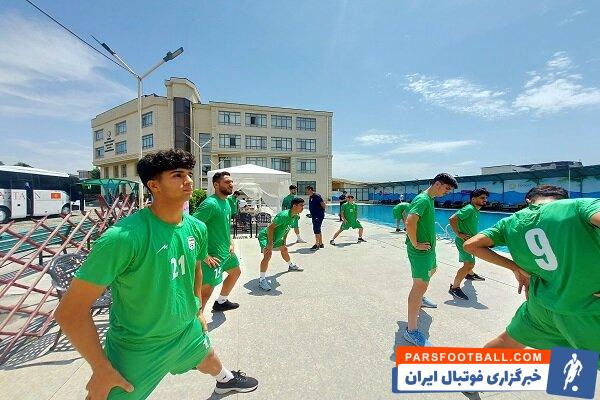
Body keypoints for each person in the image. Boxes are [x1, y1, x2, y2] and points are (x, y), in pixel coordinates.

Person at [54, 149, 258, 399]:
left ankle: (225, 380)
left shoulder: (196, 228)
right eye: (177, 175)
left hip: (186, 330)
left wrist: (197, 311)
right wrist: (101, 369)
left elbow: (195, 268)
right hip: (139, 347)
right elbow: (69, 312)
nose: (188, 181)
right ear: (154, 185)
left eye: (188, 174)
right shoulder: (122, 237)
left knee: (208, 357)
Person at [464, 185, 600, 365]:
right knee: (574, 357)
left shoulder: (510, 222)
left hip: (541, 305)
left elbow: (471, 245)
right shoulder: (579, 206)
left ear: (529, 200)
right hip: (587, 308)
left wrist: (515, 268)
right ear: (563, 198)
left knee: (507, 343)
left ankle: (472, 373)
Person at [403, 173, 458, 346]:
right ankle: (411, 331)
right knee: (419, 286)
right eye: (447, 188)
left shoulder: (429, 199)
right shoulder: (423, 199)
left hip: (428, 250)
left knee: (433, 270)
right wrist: (415, 243)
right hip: (420, 251)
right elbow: (410, 222)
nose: (447, 192)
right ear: (437, 184)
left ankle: (421, 298)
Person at [193, 172, 241, 314]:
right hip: (213, 256)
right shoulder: (210, 204)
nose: (231, 184)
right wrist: (204, 255)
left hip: (226, 251)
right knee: (205, 292)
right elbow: (191, 229)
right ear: (216, 185)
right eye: (227, 182)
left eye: (231, 181)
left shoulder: (226, 202)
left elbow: (224, 225)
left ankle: (221, 302)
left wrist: (231, 241)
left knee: (235, 272)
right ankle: (197, 322)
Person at [447, 188, 489, 301]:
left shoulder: (475, 210)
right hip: (464, 242)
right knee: (469, 264)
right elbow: (452, 219)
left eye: (486, 198)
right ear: (473, 199)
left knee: (470, 262)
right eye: (482, 198)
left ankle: (470, 274)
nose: (485, 200)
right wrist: (459, 234)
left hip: (470, 241)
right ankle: (454, 288)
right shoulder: (469, 209)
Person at [257, 198, 305, 291]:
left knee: (284, 249)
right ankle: (261, 280)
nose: (303, 207)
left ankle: (291, 266)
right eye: (301, 205)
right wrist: (270, 244)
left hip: (277, 237)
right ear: (294, 206)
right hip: (266, 236)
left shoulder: (295, 216)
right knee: (268, 255)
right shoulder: (283, 215)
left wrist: (284, 241)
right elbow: (270, 228)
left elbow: (287, 228)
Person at [306, 186, 326, 250]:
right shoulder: (311, 197)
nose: (306, 191)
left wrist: (320, 212)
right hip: (314, 215)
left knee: (316, 229)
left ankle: (317, 244)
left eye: (307, 190)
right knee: (318, 229)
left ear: (310, 190)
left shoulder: (317, 196)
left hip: (318, 216)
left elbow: (323, 205)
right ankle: (321, 243)